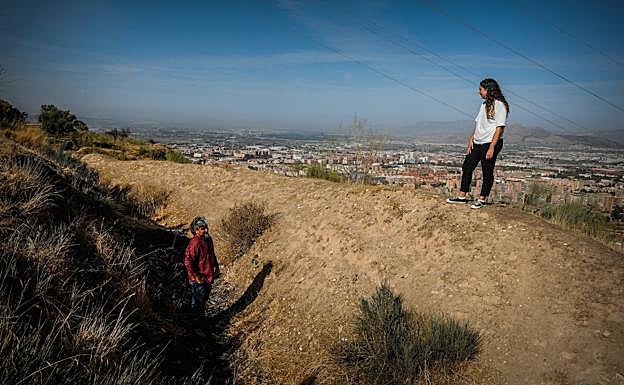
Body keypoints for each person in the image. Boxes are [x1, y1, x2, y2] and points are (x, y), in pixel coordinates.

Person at [446, 78, 509, 209]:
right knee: (467, 167)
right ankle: (462, 196)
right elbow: (478, 124)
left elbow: (499, 128)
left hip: (490, 143)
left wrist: (492, 146)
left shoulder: (500, 105)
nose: (479, 92)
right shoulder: (483, 105)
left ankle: (482, 199)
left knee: (487, 171)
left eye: (481, 89)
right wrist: (471, 139)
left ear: (488, 90)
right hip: (478, 142)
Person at [184, 216, 220, 318]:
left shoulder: (208, 240)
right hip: (199, 279)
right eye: (203, 228)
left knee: (203, 301)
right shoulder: (195, 243)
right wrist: (196, 276)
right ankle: (196, 327)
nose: (206, 230)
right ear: (197, 230)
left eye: (206, 227)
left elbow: (212, 254)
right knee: (197, 304)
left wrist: (216, 267)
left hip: (208, 276)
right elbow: (188, 261)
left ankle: (201, 322)